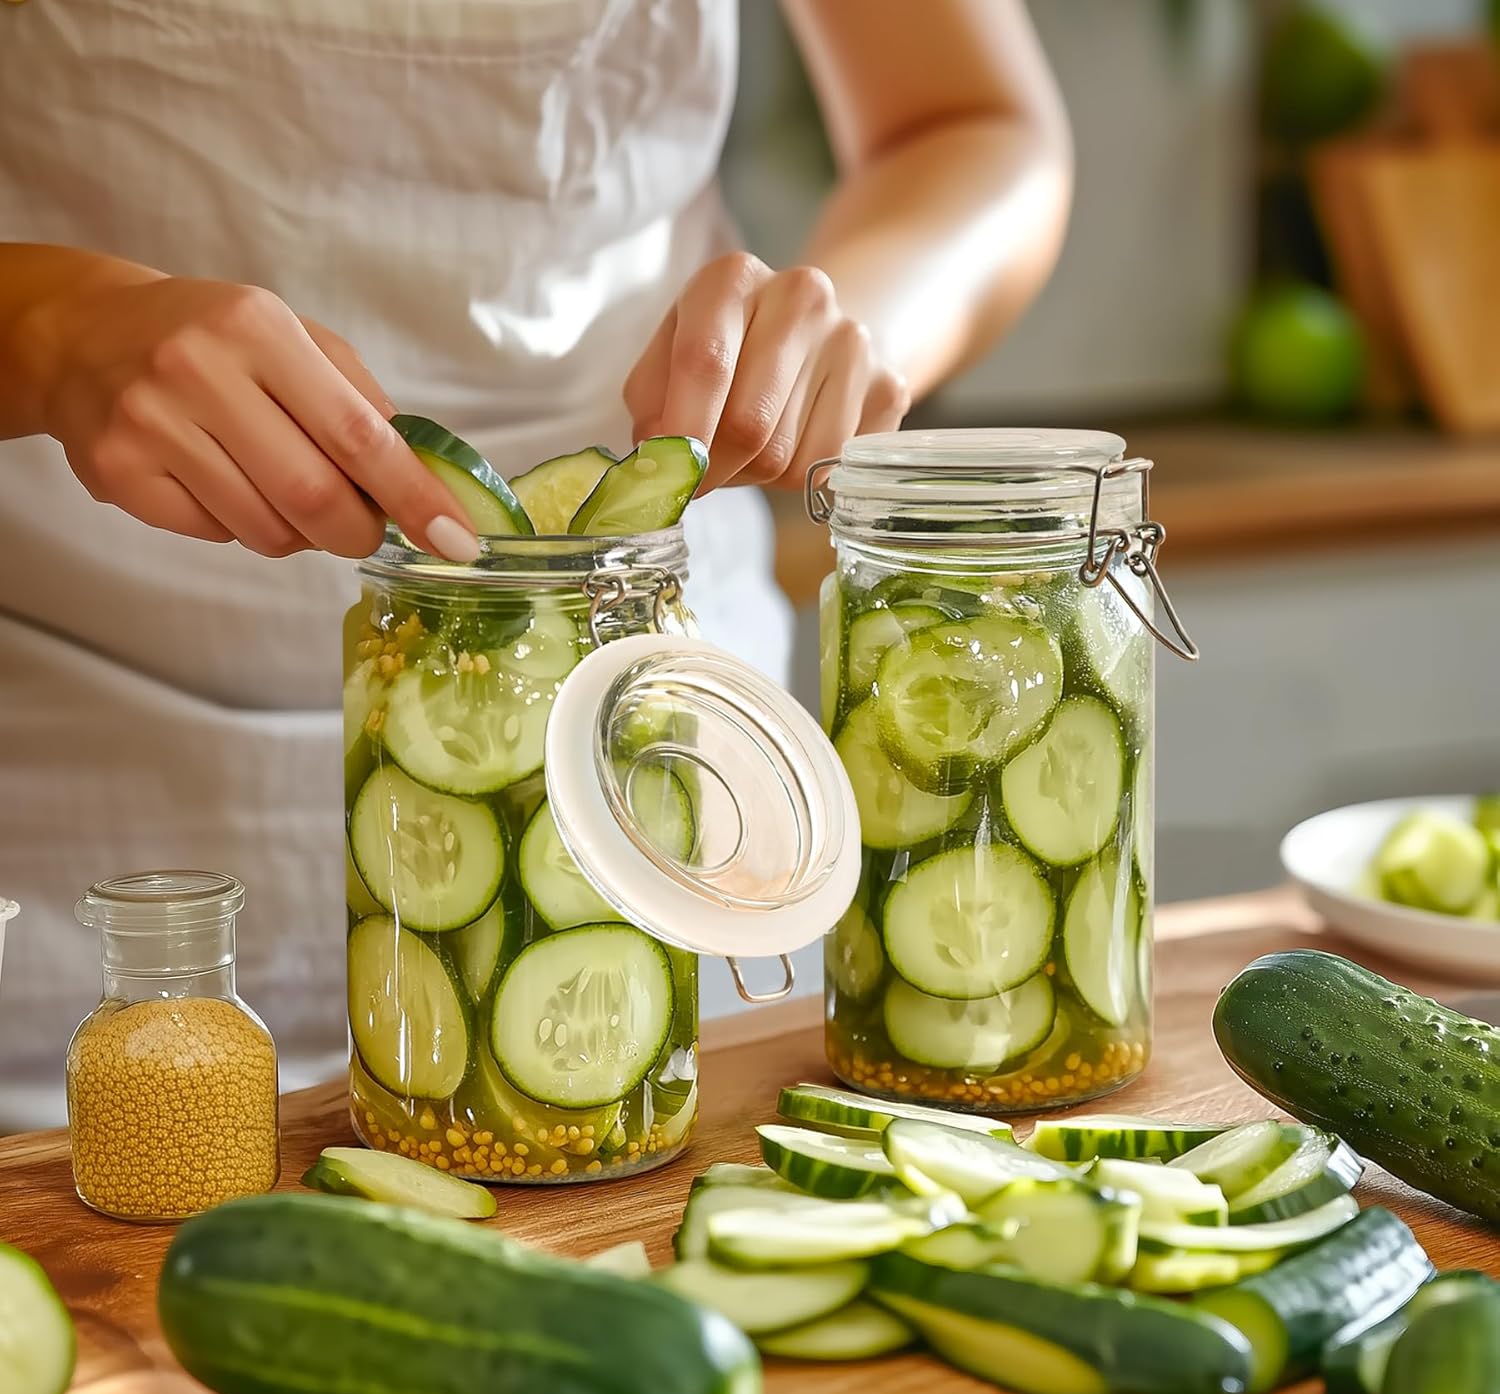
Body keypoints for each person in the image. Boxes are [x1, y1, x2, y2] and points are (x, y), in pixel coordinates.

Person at [0, 0, 1072, 1130]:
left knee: (641, 1164)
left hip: (650, 677)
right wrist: (48, 327)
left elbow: (971, 124)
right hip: (79, 763)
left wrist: (848, 333)